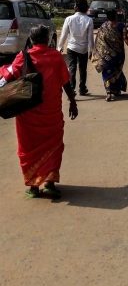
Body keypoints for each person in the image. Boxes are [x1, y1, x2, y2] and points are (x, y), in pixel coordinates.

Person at [0, 24, 78, 199]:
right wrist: (73, 102)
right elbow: (66, 82)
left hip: (28, 112)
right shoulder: (56, 57)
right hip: (51, 112)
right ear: (47, 39)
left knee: (28, 147)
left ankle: (34, 186)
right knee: (54, 145)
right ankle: (49, 182)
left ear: (32, 40)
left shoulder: (23, 57)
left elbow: (7, 76)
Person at [92, 9, 128, 101]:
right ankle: (116, 89)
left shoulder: (103, 27)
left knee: (107, 72)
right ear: (115, 15)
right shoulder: (122, 26)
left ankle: (108, 93)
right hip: (118, 55)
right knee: (116, 72)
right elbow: (125, 38)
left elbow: (99, 41)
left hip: (106, 56)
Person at [58, 0, 94, 95]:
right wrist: (92, 50)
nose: (73, 7)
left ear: (77, 8)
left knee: (72, 67)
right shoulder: (89, 20)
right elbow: (90, 38)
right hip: (83, 49)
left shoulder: (69, 19)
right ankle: (82, 88)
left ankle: (72, 88)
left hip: (72, 47)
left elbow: (64, 35)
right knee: (83, 69)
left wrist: (60, 47)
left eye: (74, 5)